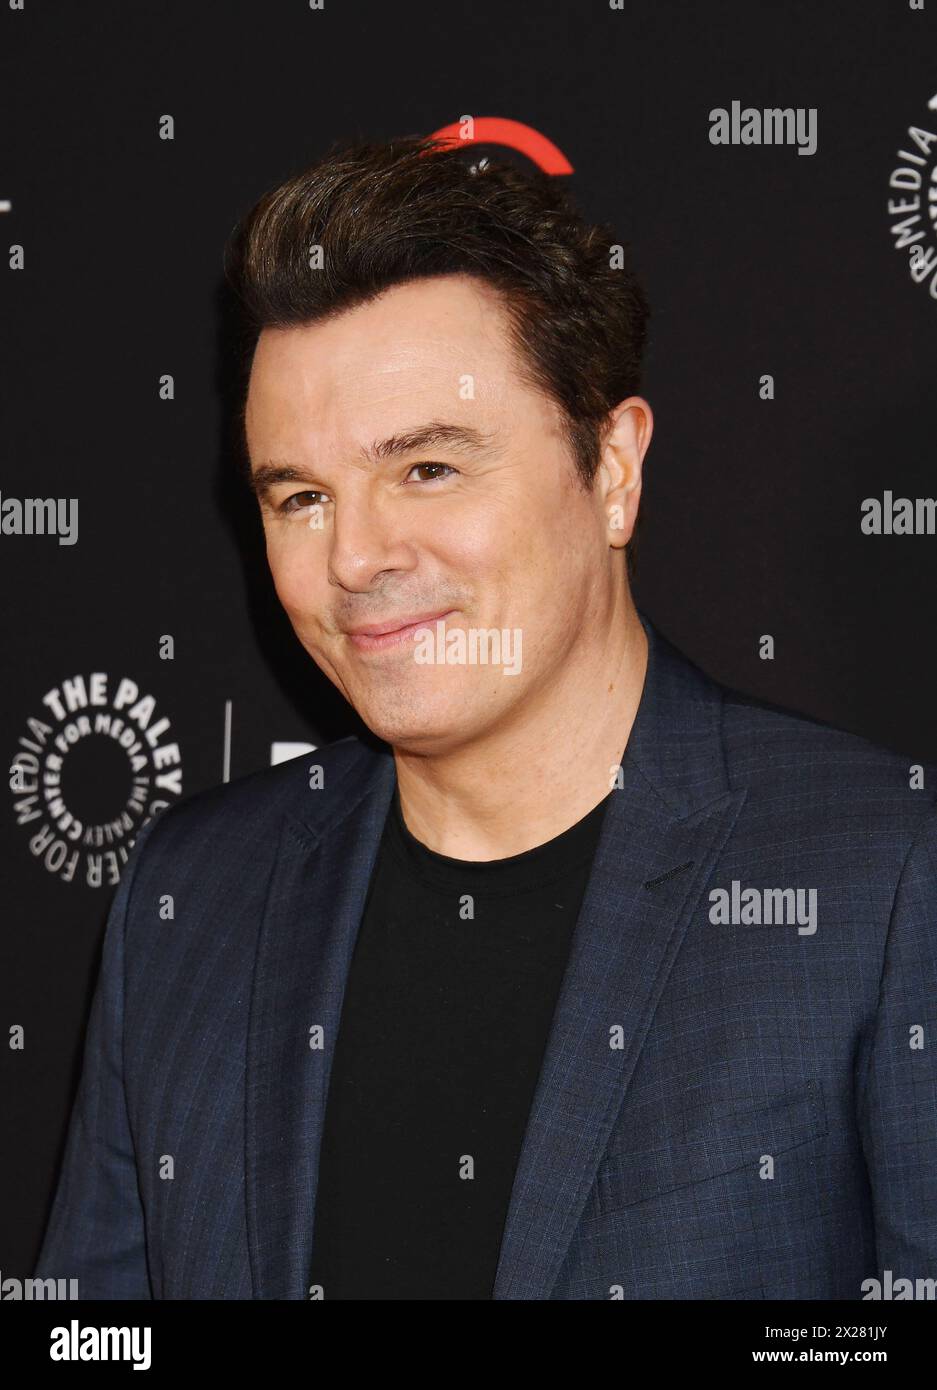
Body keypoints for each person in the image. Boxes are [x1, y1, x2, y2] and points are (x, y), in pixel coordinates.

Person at [36, 135, 937, 1300]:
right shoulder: (190, 898)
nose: (355, 558)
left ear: (610, 469)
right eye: (301, 497)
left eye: (427, 470)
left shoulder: (880, 879)